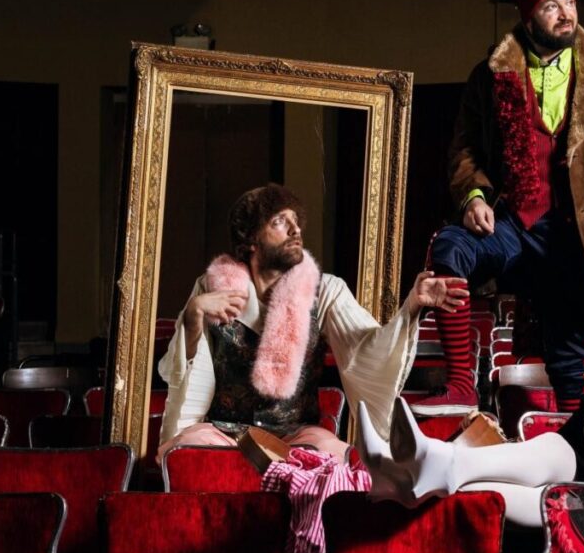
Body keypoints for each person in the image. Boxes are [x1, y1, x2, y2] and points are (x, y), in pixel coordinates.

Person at [415, 0, 584, 416]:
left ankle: (573, 427)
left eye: (570, 2)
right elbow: (464, 149)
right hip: (513, 220)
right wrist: (474, 196)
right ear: (528, 18)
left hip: (576, 229)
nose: (566, 14)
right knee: (451, 247)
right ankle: (461, 385)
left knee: (567, 343)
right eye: (551, 6)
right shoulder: (489, 76)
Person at [156, 183, 468, 460]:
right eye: (280, 221)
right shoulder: (211, 287)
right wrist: (193, 315)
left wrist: (412, 305)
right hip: (225, 434)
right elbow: (183, 373)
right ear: (250, 239)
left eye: (296, 221)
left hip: (296, 435)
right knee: (187, 449)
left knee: (333, 455)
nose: (295, 230)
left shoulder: (326, 290)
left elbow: (366, 349)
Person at [357, 304, 584, 526]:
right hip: (573, 496)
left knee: (534, 484)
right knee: (541, 454)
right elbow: (547, 460)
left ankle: (420, 470)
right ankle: (412, 475)